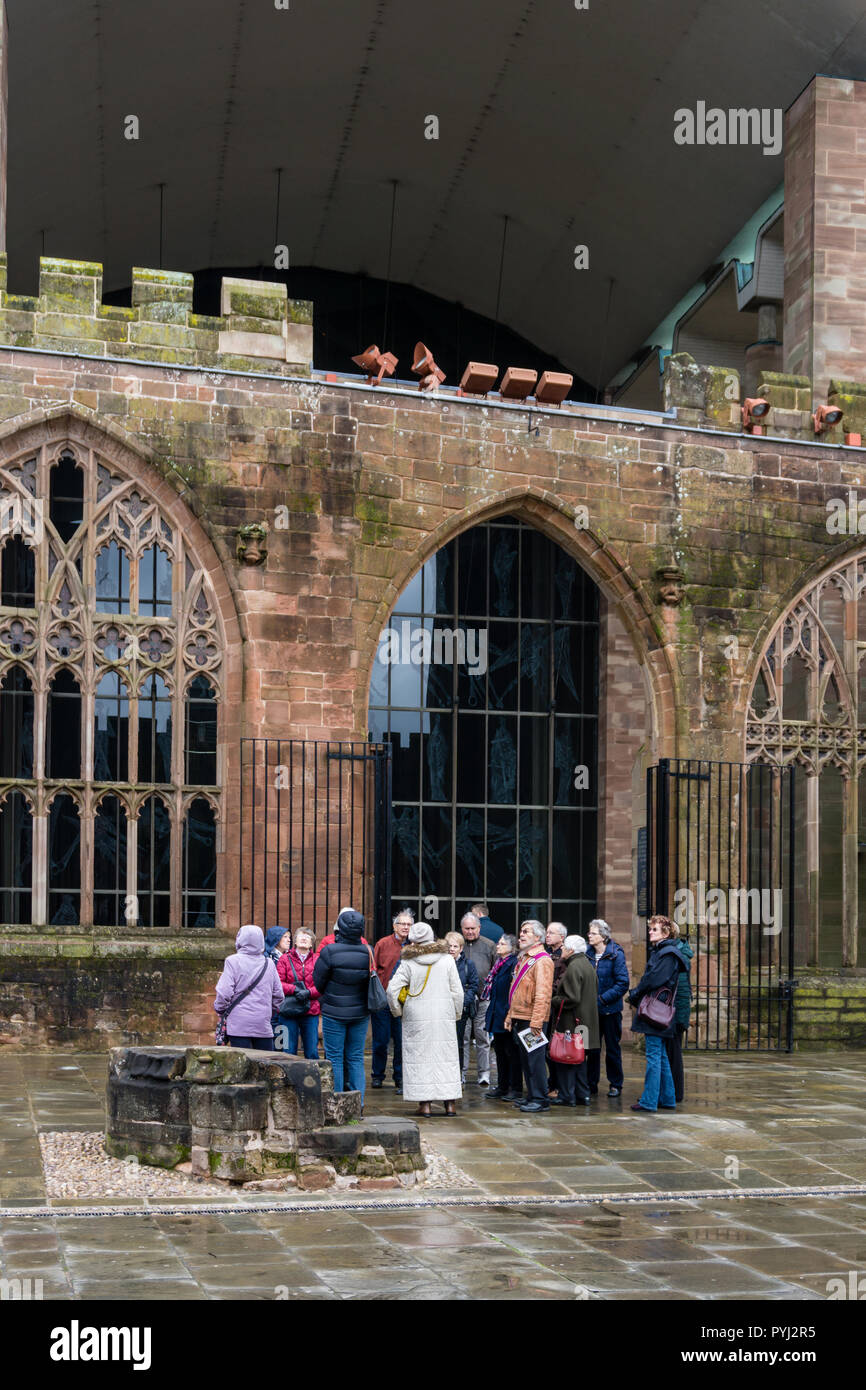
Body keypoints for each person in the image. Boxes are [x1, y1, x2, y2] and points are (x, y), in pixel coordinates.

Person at [387, 921, 464, 1117]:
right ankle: (450, 1105)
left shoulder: (408, 962)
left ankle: (426, 1105)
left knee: (420, 1057)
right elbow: (457, 991)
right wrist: (456, 1013)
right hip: (443, 1014)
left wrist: (398, 1011)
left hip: (416, 1015)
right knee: (446, 1057)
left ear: (413, 940)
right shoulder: (447, 960)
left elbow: (392, 990)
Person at [626, 914, 687, 1113]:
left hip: (656, 1011)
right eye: (650, 928)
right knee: (660, 1055)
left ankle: (649, 1101)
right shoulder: (664, 952)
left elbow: (653, 979)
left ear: (666, 933)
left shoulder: (667, 954)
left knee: (653, 1056)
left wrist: (635, 994)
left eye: (654, 929)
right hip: (659, 1010)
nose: (650, 932)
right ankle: (667, 1098)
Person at [313, 908, 371, 1101]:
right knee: (355, 1058)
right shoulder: (367, 951)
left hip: (334, 1011)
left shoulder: (330, 951)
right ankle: (359, 1103)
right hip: (361, 1011)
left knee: (334, 1058)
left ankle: (337, 1102)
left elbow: (318, 982)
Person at [504, 919, 554, 1113]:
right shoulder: (525, 958)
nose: (521, 935)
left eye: (526, 932)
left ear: (538, 937)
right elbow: (515, 991)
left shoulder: (542, 960)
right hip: (521, 1015)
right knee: (526, 1059)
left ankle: (541, 1099)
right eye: (521, 931)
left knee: (535, 1059)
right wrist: (510, 1016)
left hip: (532, 1018)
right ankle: (532, 1095)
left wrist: (537, 1021)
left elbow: (543, 994)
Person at [214, 923, 284, 1051]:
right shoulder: (268, 963)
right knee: (265, 1066)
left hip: (238, 1025)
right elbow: (278, 995)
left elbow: (224, 993)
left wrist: (220, 1009)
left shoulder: (233, 961)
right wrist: (267, 1012)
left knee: (242, 1067)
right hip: (263, 1025)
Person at [550, 935, 599, 1106]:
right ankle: (582, 1094)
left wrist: (553, 1000)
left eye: (564, 947)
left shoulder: (573, 967)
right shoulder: (587, 965)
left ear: (570, 950)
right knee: (579, 1060)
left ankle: (567, 1095)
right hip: (585, 1022)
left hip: (572, 1022)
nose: (561, 950)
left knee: (568, 1060)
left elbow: (571, 998)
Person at [586, 919, 629, 1097]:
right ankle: (590, 1083)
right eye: (589, 932)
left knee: (612, 1049)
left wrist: (602, 999)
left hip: (610, 1010)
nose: (589, 935)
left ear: (603, 937)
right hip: (590, 1011)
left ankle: (615, 1084)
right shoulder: (586, 954)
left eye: (593, 933)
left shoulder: (615, 953)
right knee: (591, 1049)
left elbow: (622, 983)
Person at [370, 909, 413, 1089]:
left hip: (407, 1001)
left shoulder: (414, 946)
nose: (405, 927)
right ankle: (378, 1075)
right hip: (384, 1000)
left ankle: (400, 1076)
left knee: (402, 1041)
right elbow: (373, 969)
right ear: (394, 926)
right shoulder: (383, 944)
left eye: (409, 924)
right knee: (381, 1040)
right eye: (402, 924)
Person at [482, 934, 522, 1101]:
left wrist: (509, 1013)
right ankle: (502, 1085)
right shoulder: (499, 963)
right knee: (499, 1051)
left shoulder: (513, 964)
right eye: (498, 943)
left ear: (512, 948)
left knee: (511, 1052)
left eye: (502, 944)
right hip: (496, 1012)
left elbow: (512, 990)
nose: (498, 946)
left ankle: (515, 1087)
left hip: (506, 1012)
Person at [459, 912, 496, 1085]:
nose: (470, 932)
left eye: (473, 928)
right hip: (463, 1000)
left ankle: (484, 1074)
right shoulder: (457, 945)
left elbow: (495, 970)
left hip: (483, 999)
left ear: (479, 928)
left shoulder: (489, 946)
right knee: (463, 1037)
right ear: (462, 929)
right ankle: (461, 1073)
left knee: (482, 1037)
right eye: (466, 929)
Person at [277, 928, 320, 1059]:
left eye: (308, 936)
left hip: (311, 1010)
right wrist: (294, 990)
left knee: (312, 1051)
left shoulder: (318, 960)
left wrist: (309, 992)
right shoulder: (284, 959)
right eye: (301, 935)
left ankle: (311, 1079)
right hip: (289, 1010)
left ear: (312, 943)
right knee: (288, 1051)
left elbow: (322, 984)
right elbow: (278, 984)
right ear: (295, 941)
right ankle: (289, 1079)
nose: (304, 938)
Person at [664, 923, 693, 1103]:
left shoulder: (676, 955)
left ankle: (674, 1093)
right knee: (671, 1053)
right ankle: (672, 1092)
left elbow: (681, 989)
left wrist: (678, 1018)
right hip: (674, 1012)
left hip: (674, 1013)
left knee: (673, 1054)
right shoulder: (677, 952)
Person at [445, 932, 480, 1062]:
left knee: (458, 1042)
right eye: (449, 946)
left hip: (460, 1010)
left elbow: (473, 985)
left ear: (461, 948)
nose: (451, 949)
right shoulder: (441, 963)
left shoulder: (468, 964)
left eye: (455, 946)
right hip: (444, 1008)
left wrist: (463, 1002)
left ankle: (459, 1074)